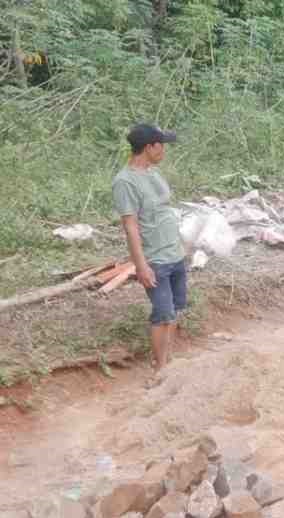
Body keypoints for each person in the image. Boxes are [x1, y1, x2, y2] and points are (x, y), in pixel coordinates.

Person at [112, 123, 185, 373]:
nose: (164, 149)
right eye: (161, 145)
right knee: (162, 313)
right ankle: (159, 368)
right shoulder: (125, 182)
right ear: (148, 147)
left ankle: (169, 360)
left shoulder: (153, 172)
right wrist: (141, 265)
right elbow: (130, 226)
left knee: (174, 310)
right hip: (155, 257)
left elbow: (163, 210)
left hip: (175, 252)